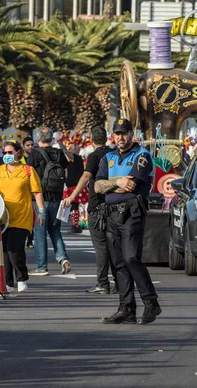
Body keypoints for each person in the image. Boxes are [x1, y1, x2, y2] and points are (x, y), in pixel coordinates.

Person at [95, 118, 161, 325]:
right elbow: (97, 186)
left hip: (132, 213)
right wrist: (118, 182)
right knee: (118, 264)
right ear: (112, 136)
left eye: (124, 133)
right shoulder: (108, 157)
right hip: (111, 214)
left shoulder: (142, 155)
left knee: (131, 258)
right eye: (117, 134)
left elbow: (130, 186)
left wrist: (112, 185)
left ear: (132, 134)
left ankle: (151, 303)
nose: (121, 137)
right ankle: (126, 309)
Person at [64, 126, 115, 294]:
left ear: (92, 140)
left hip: (98, 205)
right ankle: (120, 281)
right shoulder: (114, 154)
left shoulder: (94, 156)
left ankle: (102, 283)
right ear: (107, 138)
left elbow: (86, 177)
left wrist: (72, 196)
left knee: (100, 246)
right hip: (115, 204)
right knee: (114, 245)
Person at [0, 142, 44, 292]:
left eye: (10, 152)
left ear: (18, 153)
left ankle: (21, 278)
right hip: (2, 217)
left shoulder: (28, 171)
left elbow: (37, 192)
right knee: (4, 250)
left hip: (22, 217)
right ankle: (7, 282)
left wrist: (41, 211)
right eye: (5, 152)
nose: (7, 155)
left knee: (14, 248)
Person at [27, 127, 71, 276]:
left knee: (39, 233)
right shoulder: (59, 153)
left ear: (38, 139)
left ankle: (41, 266)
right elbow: (65, 172)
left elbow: (28, 175)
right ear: (51, 139)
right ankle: (63, 258)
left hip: (40, 198)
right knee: (55, 230)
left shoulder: (34, 154)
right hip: (56, 198)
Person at [63, 142, 87, 233]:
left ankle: (76, 225)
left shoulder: (76, 158)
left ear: (76, 150)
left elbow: (65, 151)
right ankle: (76, 224)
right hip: (72, 186)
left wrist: (60, 142)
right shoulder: (76, 159)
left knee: (74, 206)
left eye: (71, 149)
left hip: (74, 187)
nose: (70, 150)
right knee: (74, 206)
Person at [22, 136, 35, 247]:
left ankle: (30, 239)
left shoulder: (37, 157)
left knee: (32, 217)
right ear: (23, 147)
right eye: (28, 145)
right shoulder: (20, 160)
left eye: (32, 145)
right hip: (22, 192)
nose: (31, 147)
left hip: (33, 192)